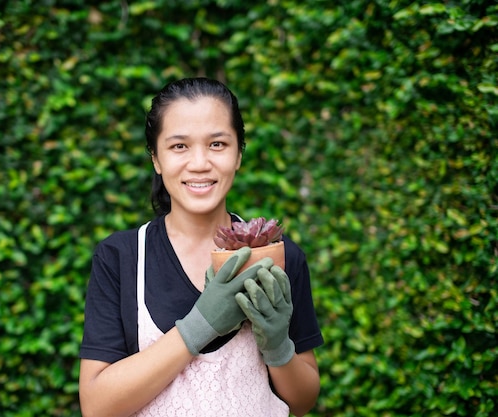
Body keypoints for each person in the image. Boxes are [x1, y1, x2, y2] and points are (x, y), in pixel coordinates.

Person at [79, 77, 323, 417]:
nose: (199, 163)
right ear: (156, 159)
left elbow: (303, 400)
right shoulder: (121, 257)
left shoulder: (277, 255)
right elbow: (96, 406)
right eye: (179, 146)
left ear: (238, 154)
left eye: (218, 144)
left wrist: (278, 345)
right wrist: (201, 324)